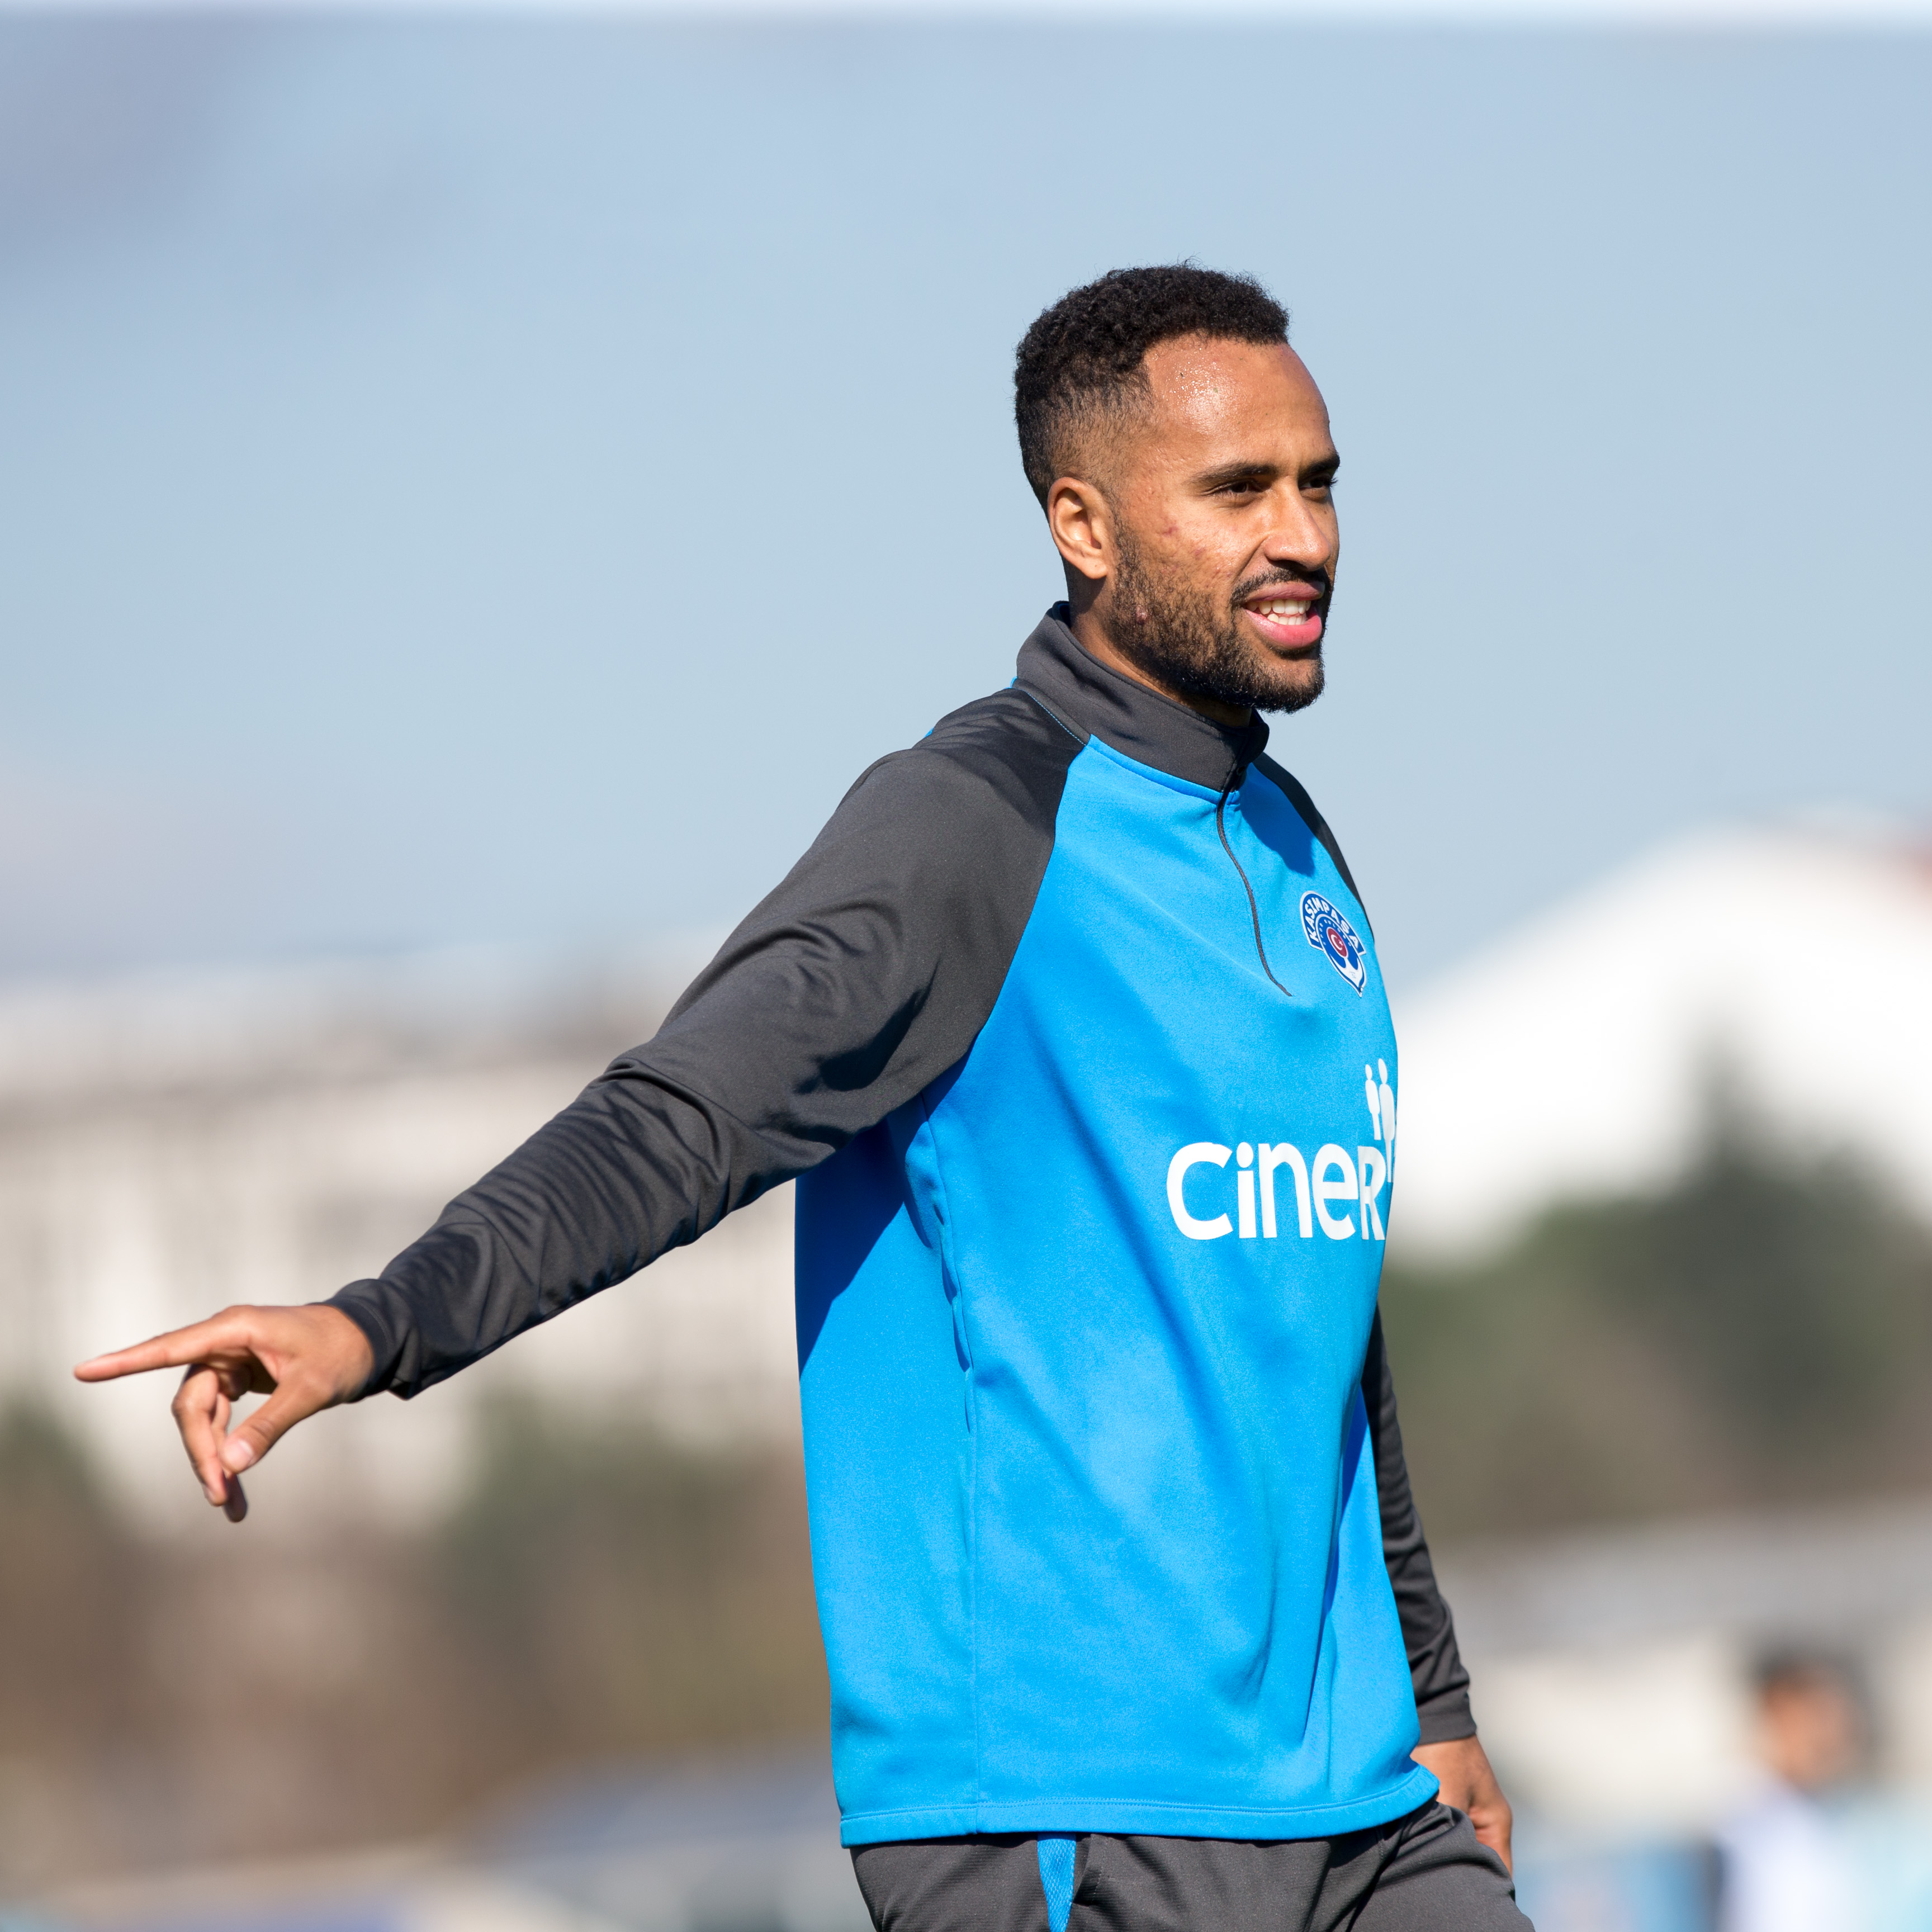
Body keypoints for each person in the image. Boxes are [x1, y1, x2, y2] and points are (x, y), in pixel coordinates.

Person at [77, 266, 1526, 1932]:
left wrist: (1430, 1694)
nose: (1304, 537)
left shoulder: (1295, 848)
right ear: (1082, 523)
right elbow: (679, 1117)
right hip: (1070, 1805)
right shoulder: (969, 828)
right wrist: (379, 1321)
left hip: (1359, 1801)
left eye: (1319, 483)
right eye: (1238, 490)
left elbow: (1317, 1314)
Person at [1715, 1650, 1867, 1932]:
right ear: (1776, 1712)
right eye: (1817, 1719)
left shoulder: (1824, 1813)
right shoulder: (1736, 1817)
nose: (1830, 1738)